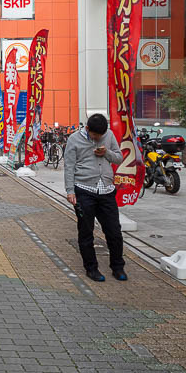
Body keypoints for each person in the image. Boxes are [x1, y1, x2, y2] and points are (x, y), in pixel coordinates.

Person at [63, 113, 127, 282]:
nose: (99, 138)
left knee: (114, 231)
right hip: (84, 189)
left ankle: (118, 267)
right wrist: (70, 191)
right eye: (96, 135)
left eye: (101, 136)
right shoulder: (74, 139)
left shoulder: (109, 135)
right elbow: (69, 166)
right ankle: (91, 268)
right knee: (86, 232)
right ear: (88, 129)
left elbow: (119, 157)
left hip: (106, 190)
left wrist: (106, 153)